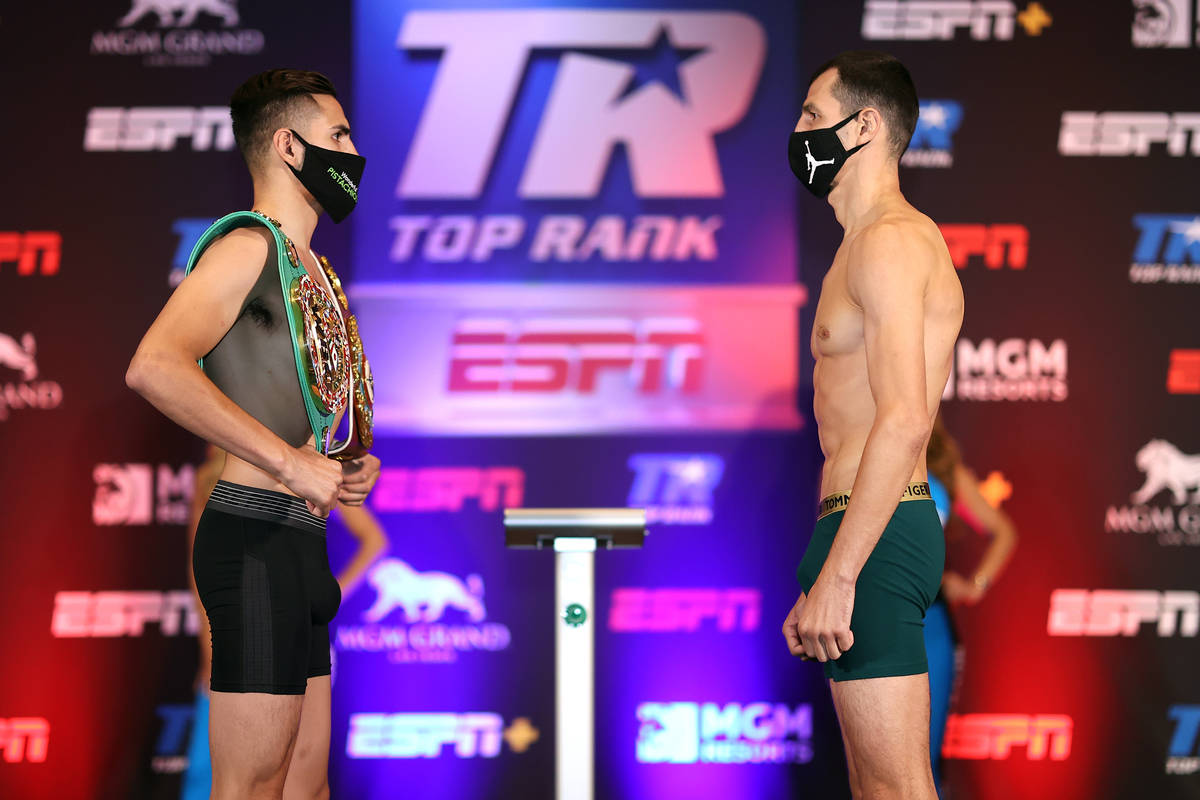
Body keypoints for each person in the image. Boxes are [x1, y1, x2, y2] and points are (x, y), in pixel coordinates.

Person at [126, 68, 380, 800]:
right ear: (288, 146)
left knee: (306, 788)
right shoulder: (248, 246)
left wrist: (342, 467)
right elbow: (153, 367)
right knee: (250, 791)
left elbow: (301, 415)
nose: (352, 153)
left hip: (302, 542)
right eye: (337, 136)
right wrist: (286, 464)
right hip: (253, 535)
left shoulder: (315, 272)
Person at [780, 51, 964, 800]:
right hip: (857, 527)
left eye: (812, 116)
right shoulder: (858, 245)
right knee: (875, 789)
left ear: (865, 125)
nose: (798, 131)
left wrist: (844, 572)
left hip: (877, 532)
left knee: (896, 789)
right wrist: (827, 565)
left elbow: (906, 418)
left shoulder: (890, 240)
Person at [179, 446, 391, 800]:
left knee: (305, 783)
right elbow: (199, 578)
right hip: (244, 630)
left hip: (300, 628)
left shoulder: (314, 464)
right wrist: (209, 649)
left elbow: (374, 539)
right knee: (231, 782)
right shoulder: (211, 482)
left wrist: (327, 593)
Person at [923, 414, 1018, 796]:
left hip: (931, 627)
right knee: (872, 766)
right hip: (873, 623)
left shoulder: (944, 471)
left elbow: (1004, 532)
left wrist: (973, 585)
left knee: (924, 761)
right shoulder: (859, 456)